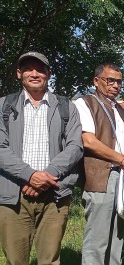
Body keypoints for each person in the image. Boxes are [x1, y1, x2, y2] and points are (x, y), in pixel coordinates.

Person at [0, 51, 83, 265]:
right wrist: (30, 175)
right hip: (14, 196)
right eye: (28, 68)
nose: (34, 73)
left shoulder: (67, 107)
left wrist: (46, 177)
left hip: (54, 193)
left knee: (50, 260)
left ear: (49, 73)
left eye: (40, 69)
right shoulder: (3, 107)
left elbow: (75, 146)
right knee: (16, 261)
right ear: (19, 73)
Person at [76, 63, 124, 264]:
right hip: (101, 177)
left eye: (119, 82)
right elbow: (89, 141)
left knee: (117, 235)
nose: (115, 85)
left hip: (122, 176)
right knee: (98, 238)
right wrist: (122, 159)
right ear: (96, 81)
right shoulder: (85, 103)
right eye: (109, 80)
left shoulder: (119, 109)